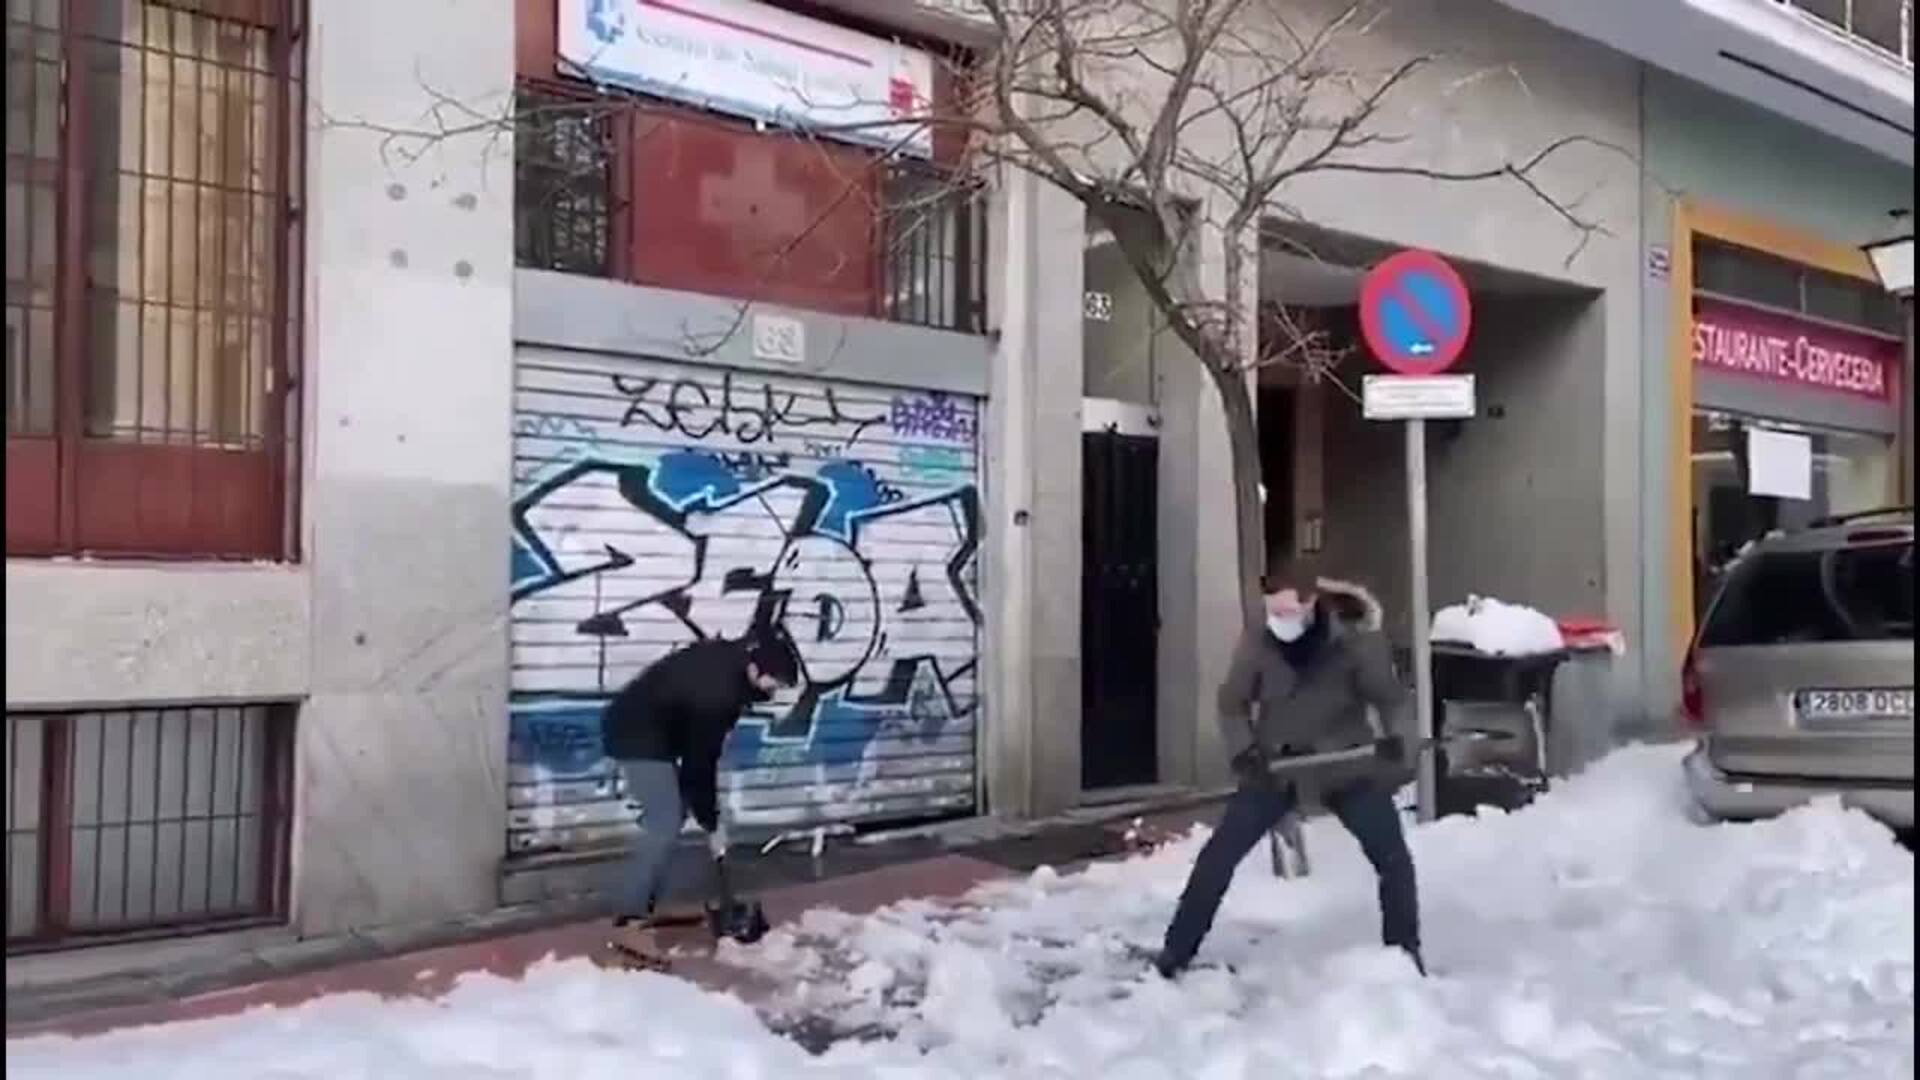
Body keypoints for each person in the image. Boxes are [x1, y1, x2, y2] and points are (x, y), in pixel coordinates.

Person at [1155, 556, 1426, 979]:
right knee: (1217, 858)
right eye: (1272, 611)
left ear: (1310, 603)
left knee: (1393, 859)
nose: (1278, 620)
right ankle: (1175, 954)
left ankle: (1405, 957)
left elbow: (1390, 699)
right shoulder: (1259, 644)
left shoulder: (1355, 644)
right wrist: (1244, 751)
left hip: (1345, 768)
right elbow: (1231, 703)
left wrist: (1398, 743)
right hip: (1275, 769)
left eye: (1286, 611)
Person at [598, 624, 802, 967]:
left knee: (671, 817)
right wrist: (711, 821)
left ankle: (648, 904)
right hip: (636, 736)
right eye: (774, 682)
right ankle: (627, 923)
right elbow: (699, 763)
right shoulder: (720, 692)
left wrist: (707, 813)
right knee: (664, 822)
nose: (774, 690)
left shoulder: (728, 665)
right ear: (756, 669)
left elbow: (700, 753)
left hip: (649, 730)